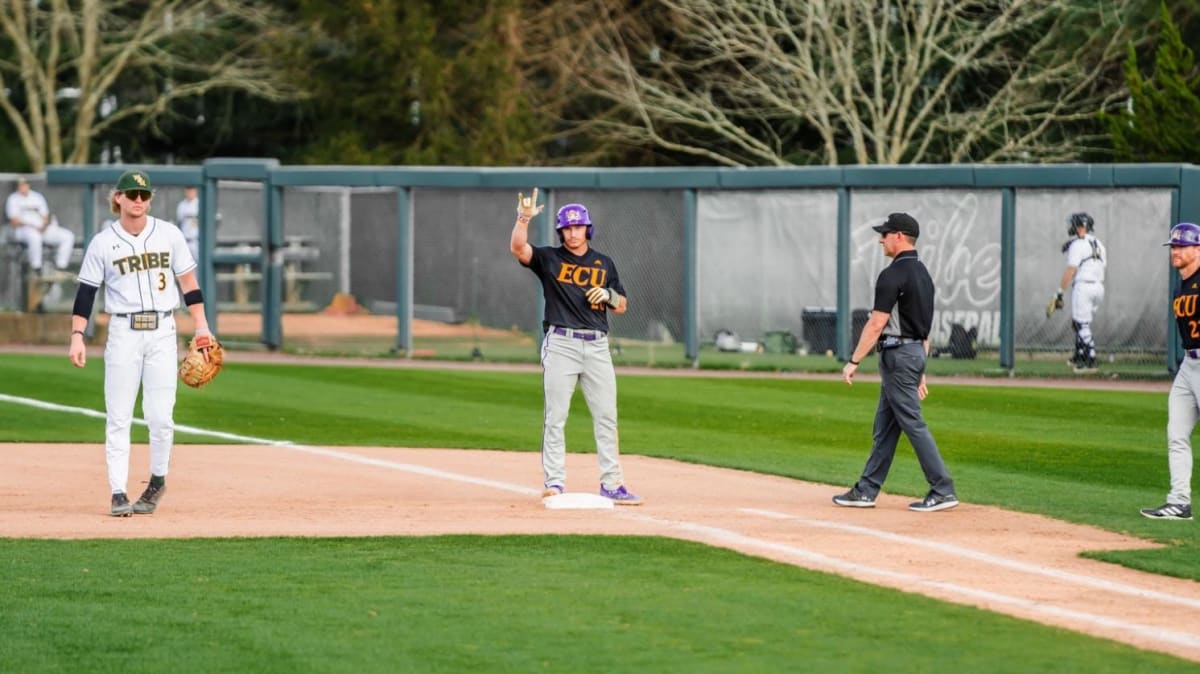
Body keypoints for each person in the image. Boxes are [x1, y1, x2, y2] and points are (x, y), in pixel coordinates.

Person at [68, 169, 215, 517]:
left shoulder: (169, 234)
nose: (138, 200)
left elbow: (189, 283)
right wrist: (77, 335)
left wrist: (202, 328)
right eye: (131, 194)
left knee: (160, 417)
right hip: (123, 332)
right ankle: (118, 492)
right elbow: (86, 292)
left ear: (150, 199)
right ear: (117, 197)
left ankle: (157, 482)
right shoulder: (103, 242)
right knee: (118, 416)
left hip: (163, 331)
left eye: (144, 195)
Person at [508, 188, 641, 505]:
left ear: (587, 228)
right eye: (567, 227)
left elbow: (622, 304)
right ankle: (554, 482)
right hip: (561, 345)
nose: (572, 232)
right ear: (561, 231)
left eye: (578, 226)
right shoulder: (550, 259)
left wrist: (608, 295)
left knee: (606, 417)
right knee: (556, 417)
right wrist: (523, 218)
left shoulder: (604, 263)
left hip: (597, 347)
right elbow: (518, 248)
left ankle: (612, 483)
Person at [834, 212, 958, 513]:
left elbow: (877, 324)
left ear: (899, 236)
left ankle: (942, 489)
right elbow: (924, 329)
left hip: (898, 356)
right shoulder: (923, 274)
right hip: (912, 354)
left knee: (912, 424)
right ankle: (866, 489)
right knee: (886, 428)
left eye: (885, 234)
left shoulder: (892, 274)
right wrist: (921, 370)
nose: (881, 239)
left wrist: (853, 360)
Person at [1140, 222, 1200, 521]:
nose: (1175, 251)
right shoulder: (1181, 284)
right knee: (1176, 434)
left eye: (1181, 246)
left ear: (1197, 248)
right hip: (1189, 367)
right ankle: (1179, 502)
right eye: (1173, 246)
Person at [1048, 212, 1106, 373]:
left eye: (1074, 224)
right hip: (1099, 287)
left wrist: (1059, 292)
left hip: (1084, 286)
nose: (1071, 227)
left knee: (1082, 324)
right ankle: (1079, 355)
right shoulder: (1098, 243)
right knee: (1079, 323)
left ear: (1081, 226)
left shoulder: (1077, 245)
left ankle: (1091, 358)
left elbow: (1071, 270)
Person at [5, 176, 75, 275]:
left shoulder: (37, 197)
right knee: (34, 237)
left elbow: (45, 216)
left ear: (28, 185)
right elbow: (13, 220)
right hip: (24, 229)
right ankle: (36, 268)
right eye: (20, 185)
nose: (22, 187)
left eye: (24, 185)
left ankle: (60, 266)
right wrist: (33, 226)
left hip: (42, 228)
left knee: (68, 236)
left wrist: (44, 226)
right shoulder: (13, 199)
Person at [176, 185, 200, 262]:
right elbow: (179, 223)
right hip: (185, 241)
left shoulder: (199, 204)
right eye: (188, 190)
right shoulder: (182, 205)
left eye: (192, 189)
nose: (190, 192)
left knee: (198, 269)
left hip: (197, 241)